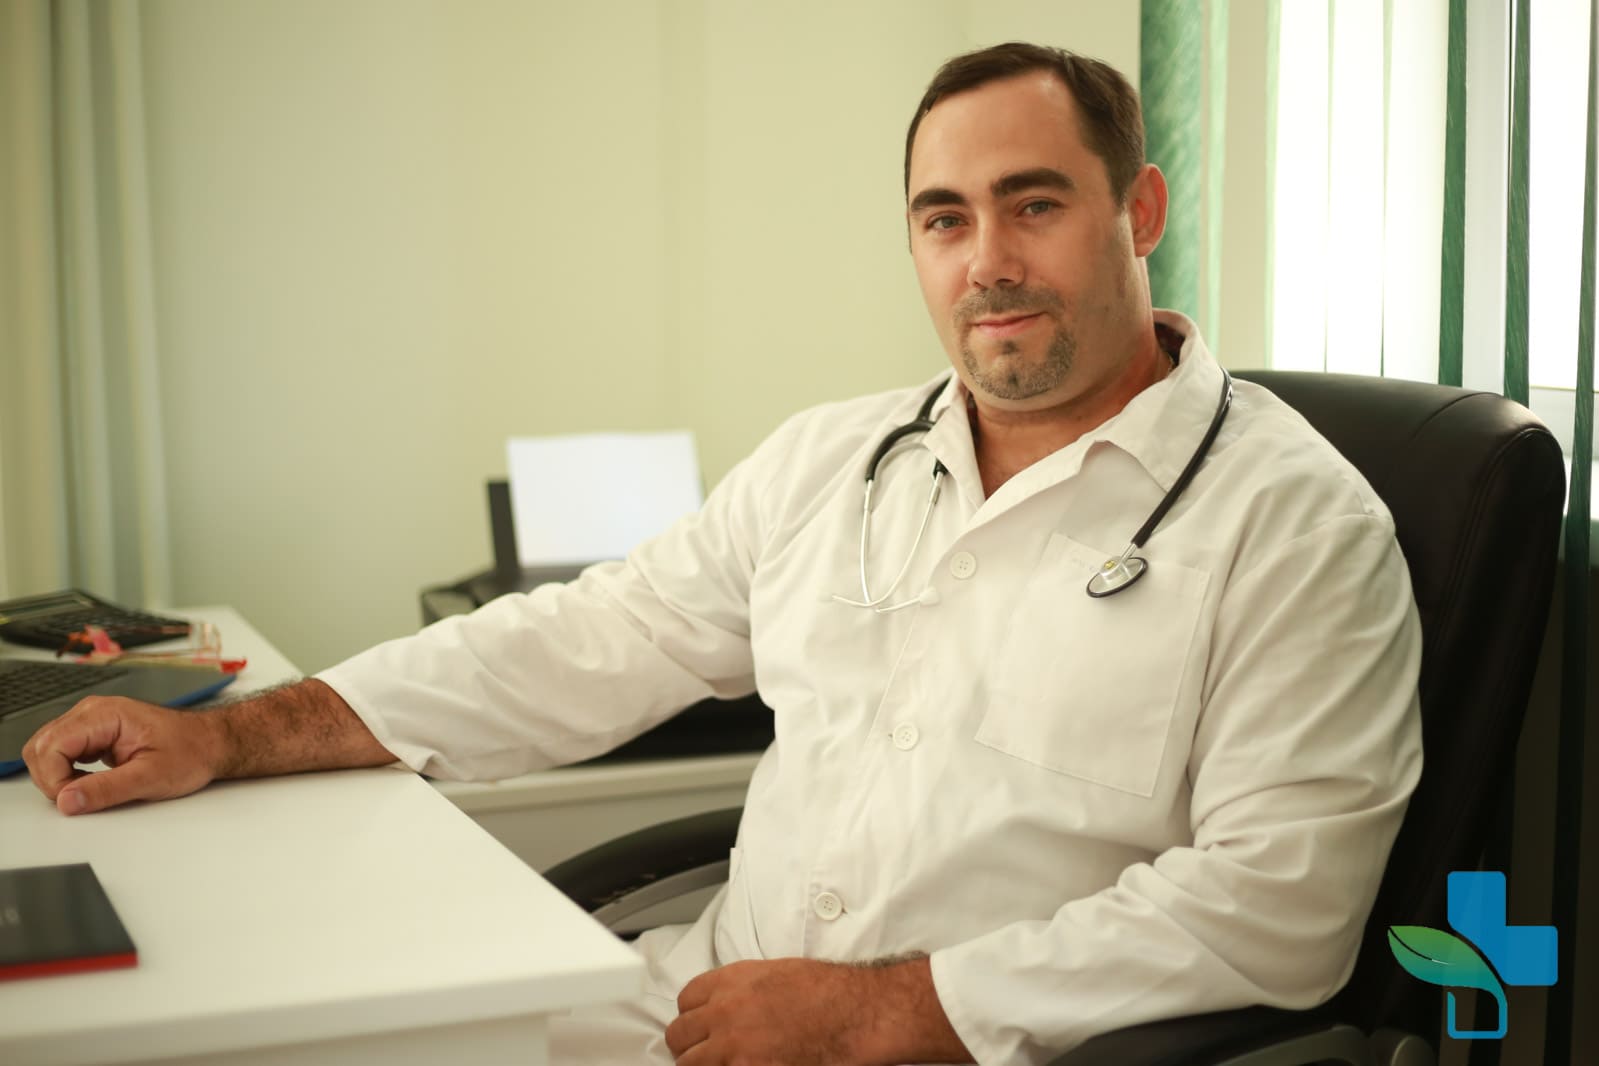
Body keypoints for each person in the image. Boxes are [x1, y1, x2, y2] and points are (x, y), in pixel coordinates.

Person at [22, 42, 1422, 1065]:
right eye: (944, 218)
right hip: (704, 1005)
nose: (986, 259)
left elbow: (1279, 903)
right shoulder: (839, 458)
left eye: (1035, 203)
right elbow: (586, 640)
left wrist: (883, 1011)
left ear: (1142, 210)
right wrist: (231, 736)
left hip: (980, 1045)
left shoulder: (1296, 526)